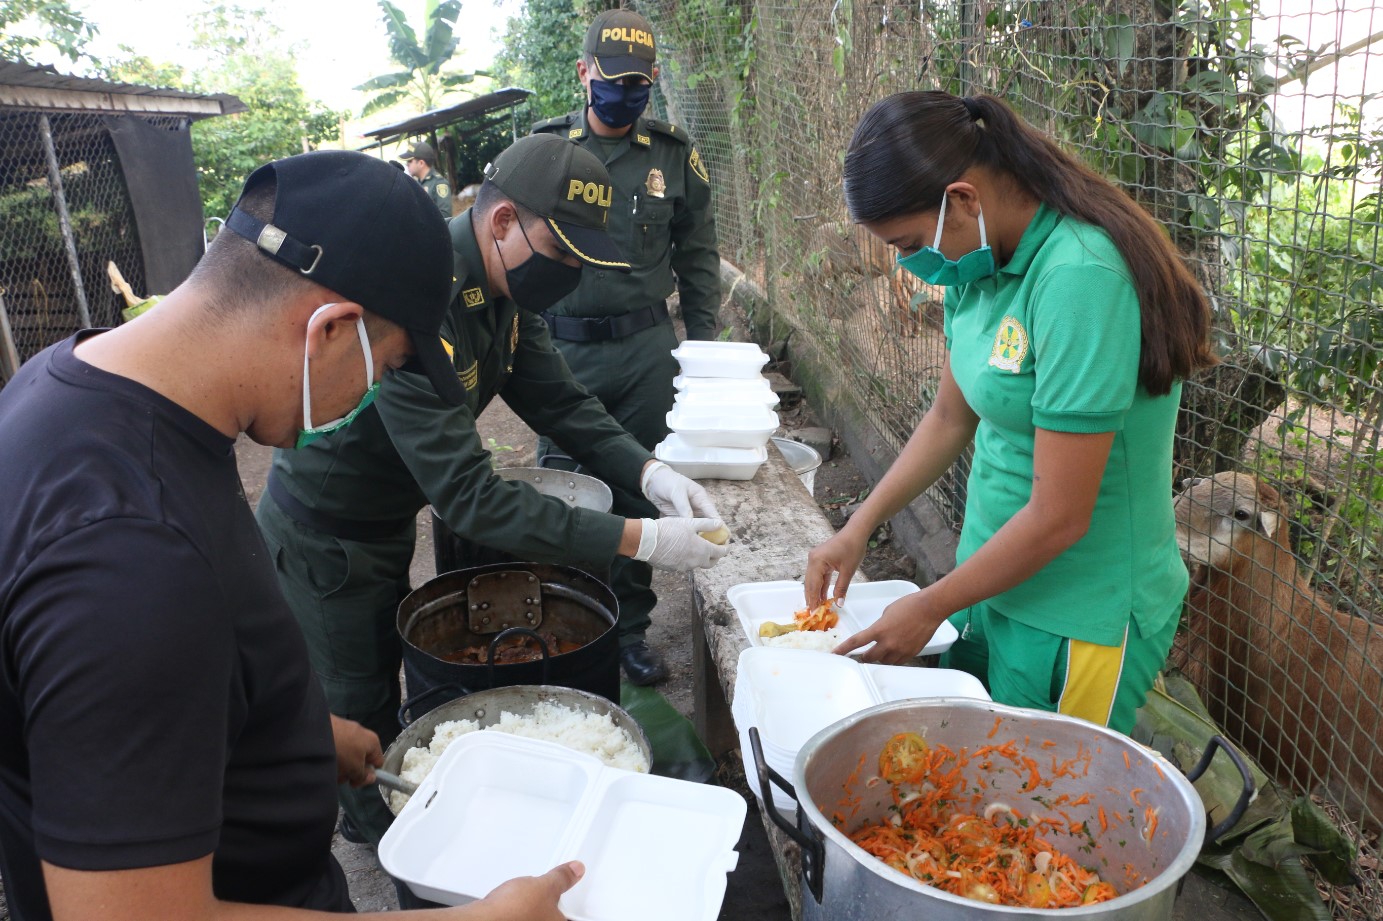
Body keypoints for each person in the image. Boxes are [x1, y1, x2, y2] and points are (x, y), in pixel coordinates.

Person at [0, 150, 580, 920]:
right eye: (386, 366)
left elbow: (114, 715)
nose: (370, 393)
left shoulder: (66, 381)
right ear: (332, 329)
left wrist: (291, 731)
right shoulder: (130, 557)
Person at [256, 133, 727, 855]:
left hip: (383, 518)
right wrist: (640, 540)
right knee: (360, 704)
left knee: (387, 681)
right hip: (327, 535)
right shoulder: (422, 292)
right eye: (562, 250)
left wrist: (648, 475)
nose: (567, 271)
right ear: (503, 222)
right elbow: (470, 497)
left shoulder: (505, 289)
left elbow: (563, 403)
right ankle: (392, 848)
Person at [805, 91, 1214, 735]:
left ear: (963, 200)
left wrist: (930, 606)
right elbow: (949, 417)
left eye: (909, 243)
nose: (911, 264)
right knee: (976, 783)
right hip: (988, 586)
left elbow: (1060, 517)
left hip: (1079, 616)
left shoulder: (1080, 279)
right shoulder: (979, 260)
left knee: (1053, 807)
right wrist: (859, 526)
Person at [531, 8, 722, 686]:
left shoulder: (672, 156)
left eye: (638, 82)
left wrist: (705, 367)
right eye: (611, 79)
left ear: (654, 79)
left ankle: (630, 631)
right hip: (561, 352)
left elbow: (698, 263)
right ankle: (568, 626)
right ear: (584, 73)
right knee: (567, 496)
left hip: (645, 352)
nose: (623, 92)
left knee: (642, 491)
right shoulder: (545, 151)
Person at [400, 140, 453, 217]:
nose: (407, 164)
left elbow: (445, 215)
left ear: (421, 163)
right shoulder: (416, 183)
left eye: (410, 161)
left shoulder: (439, 183)